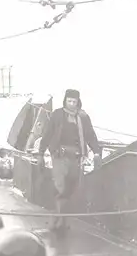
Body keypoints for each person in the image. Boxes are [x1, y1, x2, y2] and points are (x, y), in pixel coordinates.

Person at [37, 89, 102, 235]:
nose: (72, 104)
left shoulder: (83, 117)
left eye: (74, 101)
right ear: (65, 101)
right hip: (60, 156)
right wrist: (41, 153)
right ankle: (57, 221)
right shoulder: (58, 115)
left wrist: (97, 152)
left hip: (76, 157)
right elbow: (47, 134)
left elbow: (90, 135)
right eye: (69, 101)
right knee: (60, 187)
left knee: (70, 188)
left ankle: (63, 220)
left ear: (78, 102)